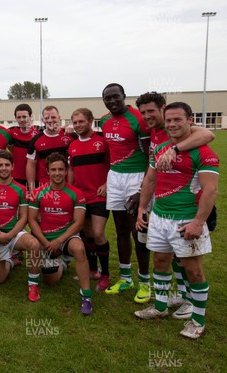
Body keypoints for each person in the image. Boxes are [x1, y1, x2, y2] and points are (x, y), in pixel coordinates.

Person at [134, 102, 218, 339]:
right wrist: (142, 207)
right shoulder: (160, 148)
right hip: (160, 217)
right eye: (168, 120)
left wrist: (198, 223)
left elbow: (210, 191)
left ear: (190, 120)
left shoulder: (204, 152)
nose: (171, 124)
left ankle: (198, 321)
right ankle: (160, 307)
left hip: (186, 219)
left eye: (177, 120)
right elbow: (150, 180)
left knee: (193, 270)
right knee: (160, 261)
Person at [100, 83, 151, 302]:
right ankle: (125, 278)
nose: (111, 102)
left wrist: (142, 189)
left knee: (137, 231)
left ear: (124, 96)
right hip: (115, 177)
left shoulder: (138, 119)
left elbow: (151, 157)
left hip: (137, 177)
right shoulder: (104, 121)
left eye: (115, 97)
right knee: (120, 229)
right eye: (107, 98)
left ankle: (145, 283)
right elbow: (109, 152)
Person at [27, 153, 92, 314]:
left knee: (79, 248)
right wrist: (45, 242)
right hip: (45, 239)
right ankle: (55, 269)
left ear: (66, 171)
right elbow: (32, 220)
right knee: (50, 280)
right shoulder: (38, 193)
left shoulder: (75, 193)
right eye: (53, 170)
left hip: (65, 238)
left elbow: (78, 223)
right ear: (47, 171)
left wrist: (58, 241)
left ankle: (87, 297)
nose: (57, 173)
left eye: (60, 170)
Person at [67, 108, 111, 291]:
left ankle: (106, 274)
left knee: (98, 233)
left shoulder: (103, 142)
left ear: (91, 120)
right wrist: (69, 192)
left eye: (81, 121)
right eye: (75, 122)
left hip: (98, 195)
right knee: (86, 233)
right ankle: (92, 270)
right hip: (80, 196)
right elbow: (71, 170)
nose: (78, 125)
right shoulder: (73, 145)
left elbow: (113, 165)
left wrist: (108, 184)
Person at [0, 150, 39, 284]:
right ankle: (11, 261)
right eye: (0, 165)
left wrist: (10, 235)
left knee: (34, 244)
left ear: (13, 166)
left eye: (7, 165)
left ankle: (33, 285)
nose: (4, 168)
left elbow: (24, 216)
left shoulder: (21, 189)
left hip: (15, 234)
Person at [27, 105, 76, 192]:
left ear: (59, 118)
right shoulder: (35, 140)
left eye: (53, 117)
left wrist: (74, 128)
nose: (50, 120)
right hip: (45, 188)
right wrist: (31, 188)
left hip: (67, 187)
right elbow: (31, 165)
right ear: (43, 120)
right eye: (46, 118)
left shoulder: (71, 136)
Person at [9, 104, 40, 186]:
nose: (22, 120)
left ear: (30, 116)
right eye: (19, 117)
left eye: (24, 116)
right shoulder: (11, 132)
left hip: (35, 178)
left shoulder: (39, 133)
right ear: (15, 117)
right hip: (16, 178)